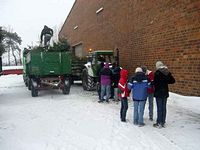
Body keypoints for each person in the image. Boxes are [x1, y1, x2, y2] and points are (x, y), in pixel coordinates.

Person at [153, 61, 175, 128]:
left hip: (159, 93)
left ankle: (159, 123)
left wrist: (152, 83)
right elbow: (172, 81)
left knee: (159, 108)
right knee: (164, 108)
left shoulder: (157, 73)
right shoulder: (166, 72)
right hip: (165, 92)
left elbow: (155, 83)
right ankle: (163, 122)